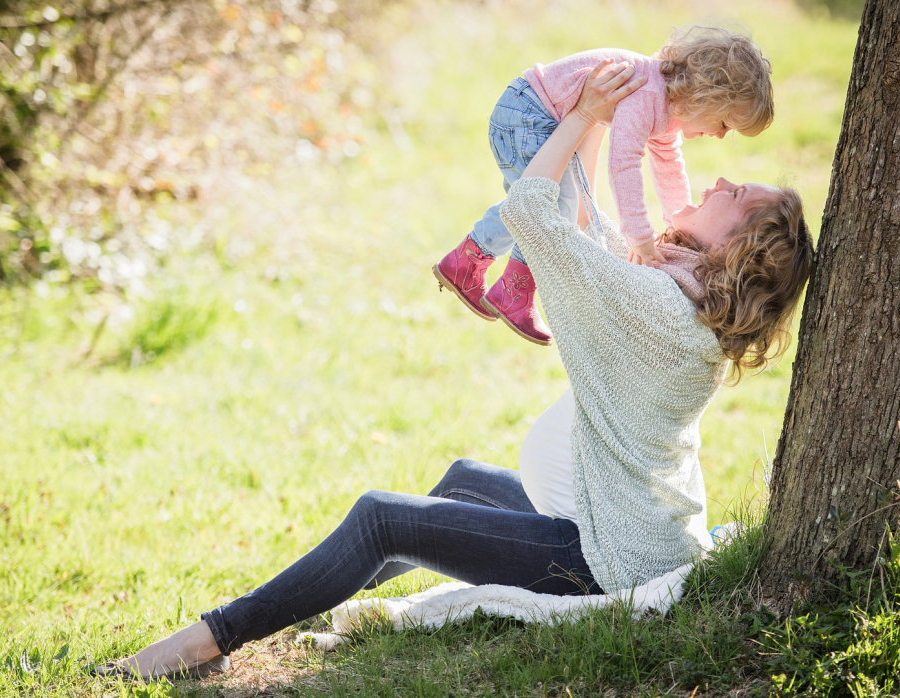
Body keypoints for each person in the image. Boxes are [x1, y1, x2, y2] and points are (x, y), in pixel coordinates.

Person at [93, 60, 812, 682]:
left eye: (739, 195)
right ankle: (302, 598)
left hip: (604, 558)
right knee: (463, 480)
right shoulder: (684, 301)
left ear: (739, 248)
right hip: (627, 526)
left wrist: (586, 115)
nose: (721, 178)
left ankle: (209, 640)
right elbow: (593, 233)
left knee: (382, 517)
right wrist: (598, 125)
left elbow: (533, 212)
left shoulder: (656, 306)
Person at [433, 26, 774, 346]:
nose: (718, 135)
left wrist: (677, 225)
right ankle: (513, 289)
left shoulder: (668, 107)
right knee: (548, 205)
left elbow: (669, 167)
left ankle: (467, 262)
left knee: (545, 202)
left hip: (533, 112)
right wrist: (639, 237)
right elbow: (623, 163)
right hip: (528, 114)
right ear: (706, 95)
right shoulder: (649, 94)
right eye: (725, 123)